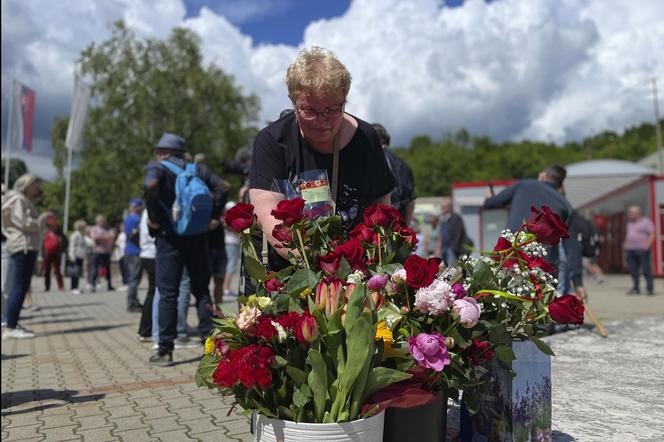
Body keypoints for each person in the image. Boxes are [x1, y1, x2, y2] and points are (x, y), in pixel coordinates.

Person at [248, 46, 395, 278]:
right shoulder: (272, 142)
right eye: (309, 110)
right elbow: (268, 213)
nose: (321, 121)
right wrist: (317, 264)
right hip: (290, 273)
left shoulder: (366, 139)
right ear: (293, 102)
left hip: (353, 271)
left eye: (331, 110)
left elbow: (382, 203)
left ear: (344, 101)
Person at [143, 132, 226, 366]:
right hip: (198, 236)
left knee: (168, 292)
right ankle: (211, 346)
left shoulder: (157, 168)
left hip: (169, 237)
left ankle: (165, 350)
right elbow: (223, 186)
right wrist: (213, 216)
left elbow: (149, 186)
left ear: (163, 152)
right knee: (202, 291)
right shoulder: (196, 169)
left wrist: (153, 218)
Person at [483, 164, 587, 301]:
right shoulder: (565, 204)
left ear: (542, 176)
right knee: (541, 309)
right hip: (544, 265)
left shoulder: (523, 185)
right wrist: (578, 282)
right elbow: (572, 247)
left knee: (508, 304)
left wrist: (489, 197)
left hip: (511, 256)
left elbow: (491, 203)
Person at [1, 174, 42, 339]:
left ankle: (12, 323)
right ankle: (10, 326)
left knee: (20, 286)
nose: (38, 188)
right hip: (22, 245)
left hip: (23, 245)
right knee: (19, 286)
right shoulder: (18, 199)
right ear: (27, 184)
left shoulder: (20, 199)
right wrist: (38, 223)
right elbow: (22, 222)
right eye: (36, 185)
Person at [372, 123, 416, 225]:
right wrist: (406, 227)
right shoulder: (404, 165)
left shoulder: (372, 161)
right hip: (399, 227)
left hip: (378, 229)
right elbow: (410, 201)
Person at [624, 205, 655, 296]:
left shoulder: (646, 222)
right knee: (633, 270)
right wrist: (626, 244)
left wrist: (647, 245)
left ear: (638, 213)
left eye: (632, 212)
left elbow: (652, 234)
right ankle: (636, 288)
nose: (630, 214)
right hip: (630, 250)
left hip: (641, 250)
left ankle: (649, 289)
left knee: (645, 269)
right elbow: (629, 235)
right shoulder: (630, 223)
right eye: (629, 212)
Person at [137, 207, 156, 341]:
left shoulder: (146, 211)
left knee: (153, 292)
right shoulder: (150, 211)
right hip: (152, 254)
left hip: (147, 254)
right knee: (154, 292)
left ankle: (146, 329)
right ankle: (146, 330)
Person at [435, 196, 470, 267]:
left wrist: (455, 246)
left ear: (449, 207)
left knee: (452, 268)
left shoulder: (456, 218)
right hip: (443, 248)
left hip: (452, 248)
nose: (442, 209)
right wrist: (438, 248)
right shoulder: (443, 219)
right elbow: (441, 234)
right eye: (442, 207)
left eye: (444, 207)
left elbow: (460, 233)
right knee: (445, 268)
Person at [124, 198, 144, 312]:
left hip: (130, 251)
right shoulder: (137, 219)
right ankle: (131, 303)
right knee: (134, 279)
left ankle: (134, 301)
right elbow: (134, 235)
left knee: (133, 278)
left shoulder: (128, 218)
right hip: (135, 252)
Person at [89, 214, 116, 292]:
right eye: (100, 221)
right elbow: (94, 238)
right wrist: (105, 238)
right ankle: (92, 285)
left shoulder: (109, 228)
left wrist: (100, 238)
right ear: (97, 221)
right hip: (96, 251)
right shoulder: (94, 228)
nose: (102, 222)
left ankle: (109, 285)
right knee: (94, 268)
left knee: (107, 269)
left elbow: (112, 237)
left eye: (103, 221)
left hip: (106, 252)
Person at [223, 201, 241, 299]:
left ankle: (226, 289)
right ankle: (226, 289)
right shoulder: (229, 219)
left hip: (230, 243)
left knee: (229, 266)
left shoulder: (225, 218)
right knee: (231, 266)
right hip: (232, 244)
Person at [42, 215, 65, 292]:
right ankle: (47, 287)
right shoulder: (46, 233)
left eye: (53, 226)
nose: (52, 227)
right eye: (50, 226)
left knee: (57, 271)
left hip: (56, 254)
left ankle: (61, 286)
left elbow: (65, 243)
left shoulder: (60, 234)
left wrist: (62, 251)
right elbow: (42, 244)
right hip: (47, 254)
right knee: (47, 271)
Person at [68, 219, 89, 294]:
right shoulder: (75, 235)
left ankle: (76, 287)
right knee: (75, 272)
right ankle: (74, 288)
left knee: (78, 272)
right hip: (75, 256)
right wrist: (72, 256)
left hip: (80, 256)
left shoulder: (81, 235)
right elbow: (72, 246)